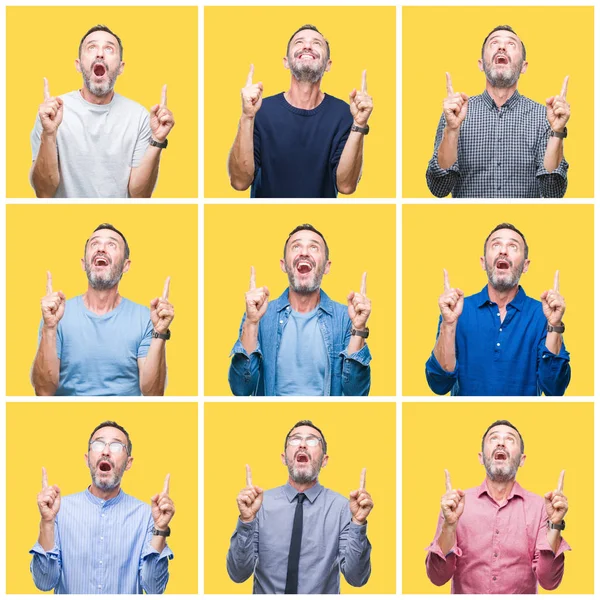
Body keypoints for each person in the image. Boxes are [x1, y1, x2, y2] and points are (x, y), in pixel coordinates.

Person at [227, 420, 373, 593]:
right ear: (284, 457)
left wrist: (358, 524)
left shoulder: (342, 508)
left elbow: (356, 578)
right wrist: (246, 521)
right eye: (295, 440)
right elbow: (238, 574)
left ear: (324, 460)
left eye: (312, 441)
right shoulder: (259, 505)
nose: (303, 445)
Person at [227, 24, 373, 198]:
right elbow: (239, 182)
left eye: (317, 43)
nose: (307, 46)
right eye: (299, 42)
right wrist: (247, 116)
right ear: (286, 62)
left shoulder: (345, 113)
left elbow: (347, 186)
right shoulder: (260, 110)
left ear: (328, 65)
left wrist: (359, 124)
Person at [425, 222, 571, 396]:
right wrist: (448, 324)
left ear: (525, 265)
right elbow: (439, 384)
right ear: (483, 262)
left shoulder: (542, 315)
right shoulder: (457, 311)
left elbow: (554, 388)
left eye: (513, 246)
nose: (503, 251)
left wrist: (554, 325)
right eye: (496, 245)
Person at [31, 24, 175, 198]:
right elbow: (44, 192)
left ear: (121, 67)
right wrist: (49, 133)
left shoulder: (139, 117)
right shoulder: (52, 114)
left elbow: (139, 196)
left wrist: (158, 140)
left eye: (109, 48)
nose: (100, 54)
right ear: (78, 64)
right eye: (91, 47)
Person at [425, 420, 570, 593]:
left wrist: (555, 526)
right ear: (481, 457)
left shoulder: (540, 508)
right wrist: (448, 526)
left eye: (510, 439)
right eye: (493, 438)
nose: (501, 443)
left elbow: (549, 581)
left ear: (522, 459)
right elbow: (437, 577)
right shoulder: (455, 505)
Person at [31, 421, 175, 594]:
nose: (106, 451)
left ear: (128, 463)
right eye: (98, 444)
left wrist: (160, 528)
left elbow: (154, 587)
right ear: (87, 459)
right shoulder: (59, 511)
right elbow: (44, 582)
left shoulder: (146, 516)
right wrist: (47, 522)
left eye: (116, 446)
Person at [426, 25, 570, 198]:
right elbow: (439, 188)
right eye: (494, 43)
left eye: (511, 44)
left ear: (524, 66)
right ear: (481, 64)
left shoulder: (544, 117)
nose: (502, 47)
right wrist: (452, 130)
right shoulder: (455, 113)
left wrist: (557, 132)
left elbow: (552, 192)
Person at [31, 223, 174, 396]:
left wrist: (159, 332)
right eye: (95, 244)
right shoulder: (56, 315)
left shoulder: (146, 318)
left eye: (111, 244)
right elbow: (43, 391)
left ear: (125, 266)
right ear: (84, 264)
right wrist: (50, 328)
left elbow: (153, 394)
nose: (101, 249)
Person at [228, 223, 371, 396]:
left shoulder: (344, 319)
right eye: (296, 246)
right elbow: (241, 389)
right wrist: (251, 322)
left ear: (326, 266)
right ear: (283, 265)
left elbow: (356, 393)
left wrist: (359, 328)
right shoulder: (259, 316)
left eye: (313, 247)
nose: (304, 252)